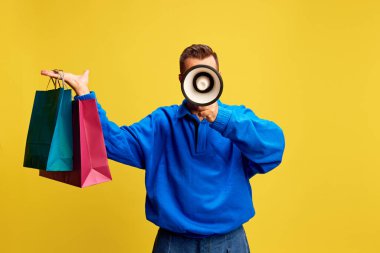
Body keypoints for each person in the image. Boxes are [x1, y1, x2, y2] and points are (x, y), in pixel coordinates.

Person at [41, 44, 285, 253]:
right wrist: (84, 94)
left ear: (218, 77)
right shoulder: (162, 123)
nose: (201, 82)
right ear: (181, 80)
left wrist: (222, 118)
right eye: (193, 75)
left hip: (229, 243)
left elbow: (273, 148)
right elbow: (113, 142)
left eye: (208, 74)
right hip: (174, 243)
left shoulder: (238, 119)